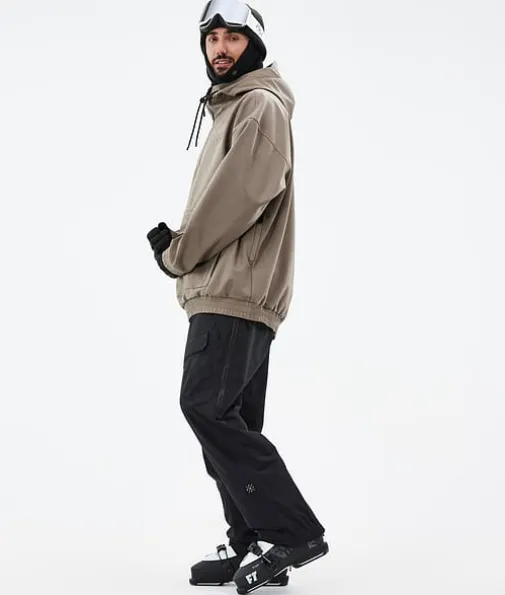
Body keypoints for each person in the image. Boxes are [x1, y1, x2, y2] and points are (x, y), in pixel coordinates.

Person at [146, 1, 328, 592]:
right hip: (233, 288)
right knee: (230, 420)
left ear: (254, 45)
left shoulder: (257, 106)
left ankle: (293, 532)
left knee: (205, 407)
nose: (220, 49)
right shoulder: (237, 107)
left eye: (233, 38)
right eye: (212, 38)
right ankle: (254, 539)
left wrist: (178, 253)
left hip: (234, 289)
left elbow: (238, 198)